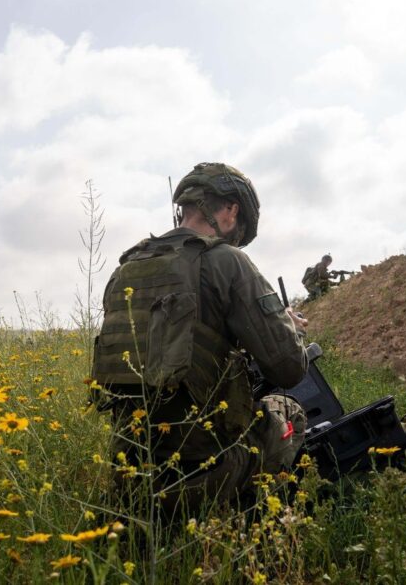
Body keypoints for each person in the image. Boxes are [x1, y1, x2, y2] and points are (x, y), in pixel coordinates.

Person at [90, 162, 310, 515]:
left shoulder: (125, 269)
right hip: (202, 474)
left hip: (130, 475)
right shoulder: (226, 261)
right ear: (231, 210)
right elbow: (288, 368)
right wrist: (289, 328)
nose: (235, 239)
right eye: (239, 228)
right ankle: (257, 520)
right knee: (290, 411)